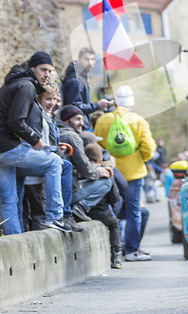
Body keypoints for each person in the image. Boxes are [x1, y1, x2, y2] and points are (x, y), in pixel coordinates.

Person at [0, 51, 71, 234]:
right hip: (7, 148)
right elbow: (15, 122)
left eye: (50, 70)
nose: (47, 74)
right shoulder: (27, 86)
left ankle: (15, 244)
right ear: (32, 68)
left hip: (2, 150)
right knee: (55, 162)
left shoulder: (13, 84)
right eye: (43, 69)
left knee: (8, 200)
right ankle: (55, 217)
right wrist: (36, 140)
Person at [94, 85, 156, 262]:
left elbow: (97, 146)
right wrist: (139, 158)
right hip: (134, 172)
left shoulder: (103, 120)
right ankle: (131, 250)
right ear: (132, 102)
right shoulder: (139, 120)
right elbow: (149, 148)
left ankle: (113, 248)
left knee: (111, 208)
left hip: (111, 172)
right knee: (134, 211)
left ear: (115, 102)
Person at [22, 82, 83, 232]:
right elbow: (36, 144)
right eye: (48, 99)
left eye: (54, 99)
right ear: (39, 99)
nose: (52, 103)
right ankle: (63, 215)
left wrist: (55, 147)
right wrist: (53, 149)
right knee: (38, 215)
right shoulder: (38, 117)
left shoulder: (46, 116)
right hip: (36, 172)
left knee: (37, 214)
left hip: (42, 168)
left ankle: (64, 214)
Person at [56, 105, 113, 221]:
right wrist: (98, 172)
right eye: (77, 119)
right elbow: (85, 168)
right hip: (68, 192)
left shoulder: (56, 132)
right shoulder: (72, 137)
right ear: (66, 120)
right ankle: (81, 208)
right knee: (107, 181)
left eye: (82, 119)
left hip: (56, 192)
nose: (81, 123)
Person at [84, 143, 122, 269]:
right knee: (115, 224)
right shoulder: (107, 175)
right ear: (100, 160)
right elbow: (115, 198)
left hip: (84, 211)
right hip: (101, 212)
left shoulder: (81, 171)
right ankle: (116, 256)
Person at [61, 48, 113, 129]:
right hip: (75, 127)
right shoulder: (76, 80)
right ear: (78, 60)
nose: (90, 63)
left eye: (92, 59)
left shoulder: (83, 77)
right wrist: (97, 105)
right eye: (86, 59)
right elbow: (74, 107)